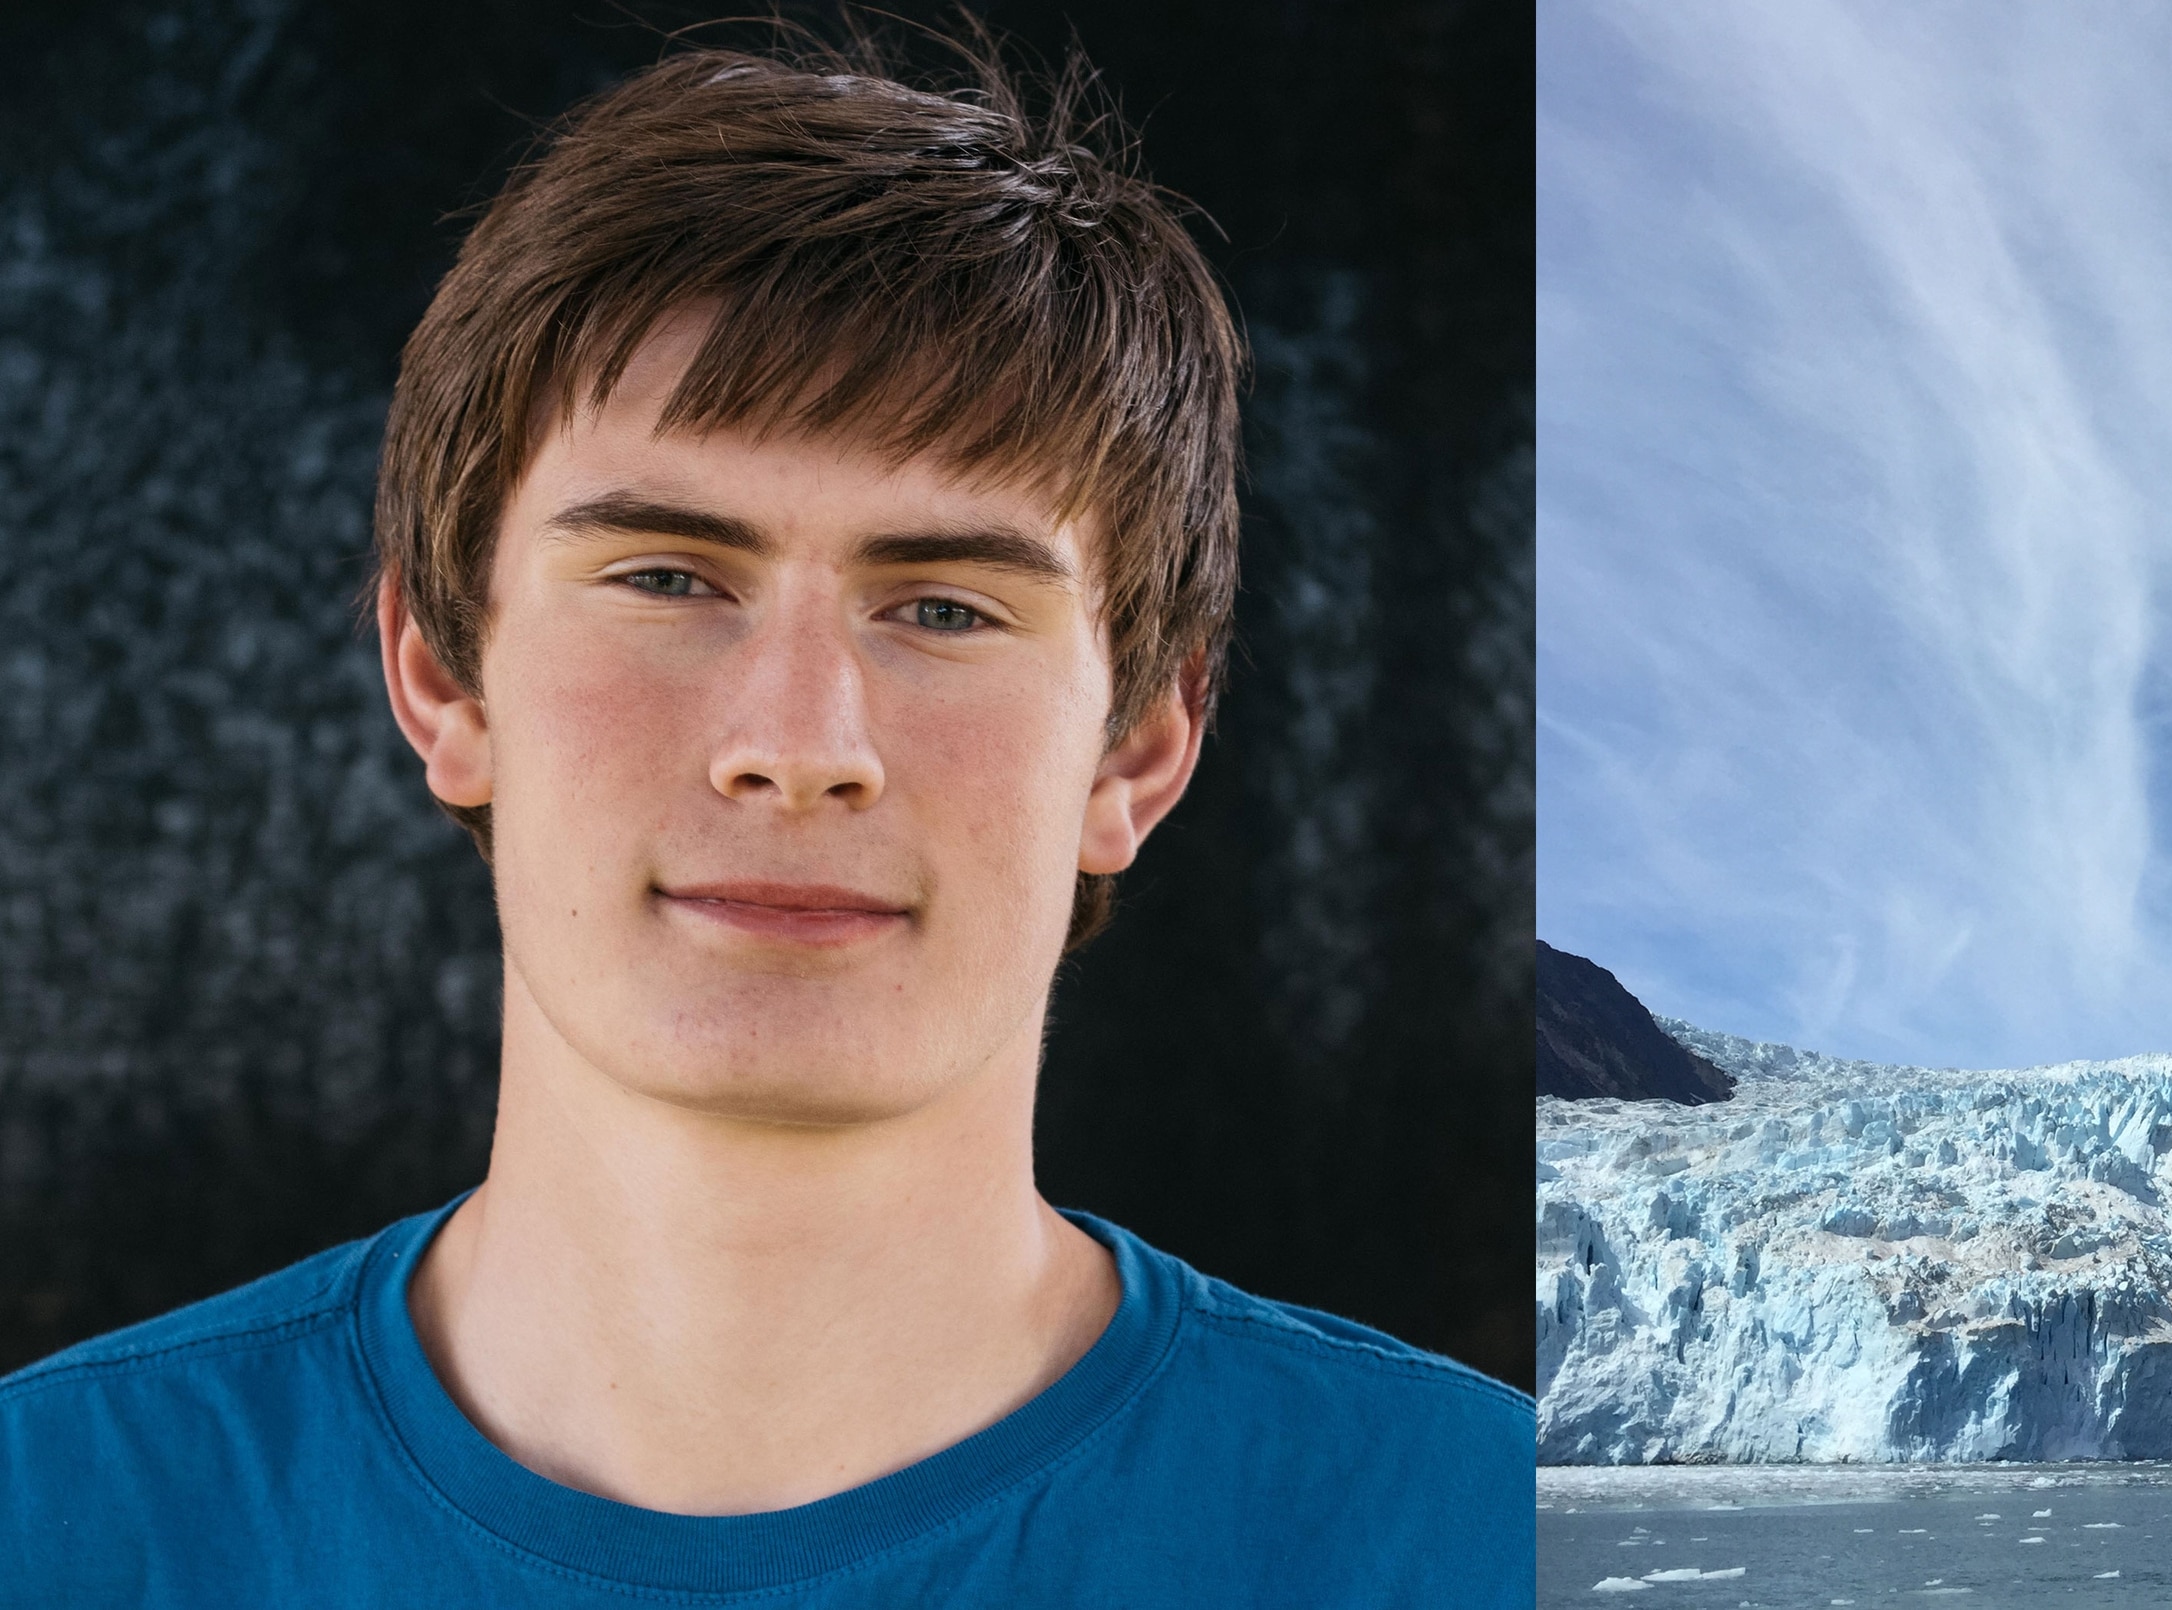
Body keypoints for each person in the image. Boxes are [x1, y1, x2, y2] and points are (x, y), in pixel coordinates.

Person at [0, 35, 1531, 1606]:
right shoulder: (49, 1524)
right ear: (443, 676)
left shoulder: (1466, 1538)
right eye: (668, 577)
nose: (800, 747)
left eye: (942, 605)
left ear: (1136, 749)